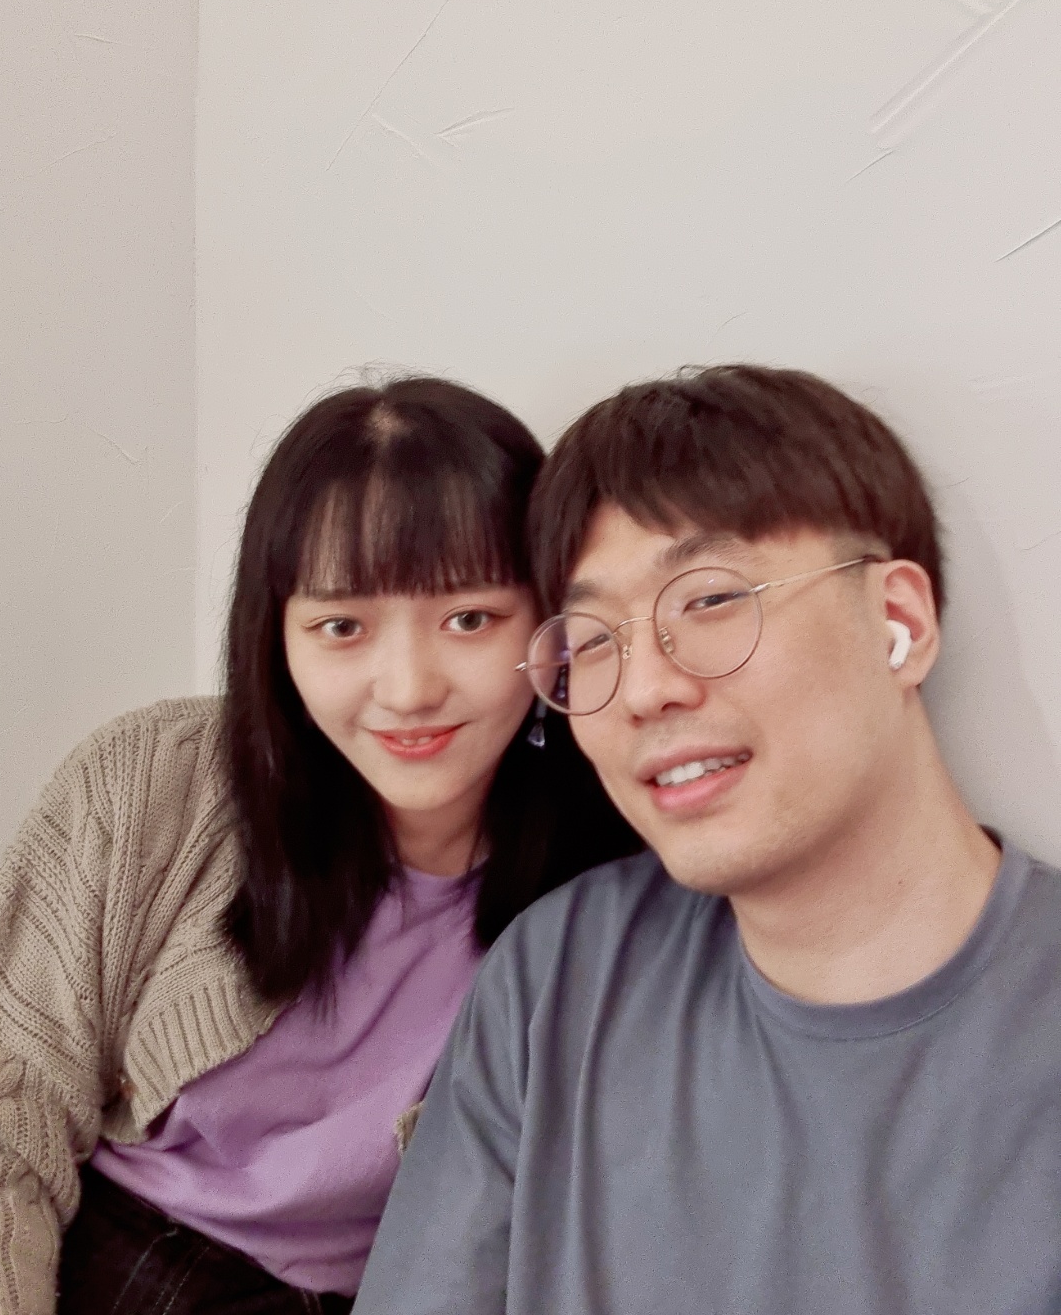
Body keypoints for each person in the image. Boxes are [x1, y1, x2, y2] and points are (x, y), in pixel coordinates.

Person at [353, 364, 1061, 1315]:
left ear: (897, 621)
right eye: (592, 642)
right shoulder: (558, 981)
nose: (646, 689)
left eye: (712, 600)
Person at [0, 376, 639, 1315]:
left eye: (470, 618)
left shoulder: (611, 887)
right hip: (84, 1259)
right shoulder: (151, 785)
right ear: (277, 635)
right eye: (342, 627)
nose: (408, 689)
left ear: (550, 627)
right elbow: (2, 1119)